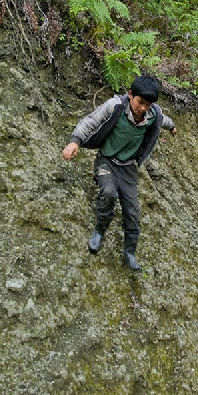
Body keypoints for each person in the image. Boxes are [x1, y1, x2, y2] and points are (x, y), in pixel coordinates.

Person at [62, 75, 177, 271]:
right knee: (108, 193)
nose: (143, 108)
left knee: (132, 211)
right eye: (140, 102)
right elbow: (90, 121)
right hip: (106, 160)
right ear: (130, 95)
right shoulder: (115, 106)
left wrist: (172, 127)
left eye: (147, 104)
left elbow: (164, 120)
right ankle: (100, 230)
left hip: (128, 168)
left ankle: (129, 252)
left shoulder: (152, 116)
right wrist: (75, 141)